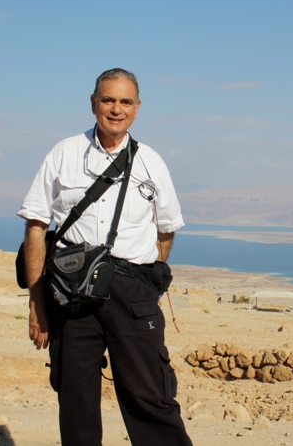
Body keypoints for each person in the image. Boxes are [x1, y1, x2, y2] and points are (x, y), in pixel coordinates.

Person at [18, 68, 192, 446]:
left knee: (150, 397)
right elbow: (35, 227)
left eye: (125, 101)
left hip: (132, 297)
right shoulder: (63, 154)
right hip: (73, 298)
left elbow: (166, 230)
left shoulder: (151, 162)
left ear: (137, 108)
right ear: (93, 103)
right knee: (75, 401)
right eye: (108, 100)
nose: (116, 109)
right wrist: (37, 303)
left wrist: (143, 281)